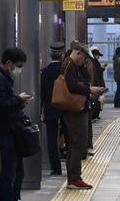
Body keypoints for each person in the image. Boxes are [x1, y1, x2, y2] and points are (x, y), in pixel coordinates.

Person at [0, 47, 32, 201]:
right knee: (10, 172)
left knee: (17, 172)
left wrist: (19, 103)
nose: (19, 69)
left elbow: (6, 104)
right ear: (9, 63)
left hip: (10, 130)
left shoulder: (3, 78)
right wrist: (18, 100)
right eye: (18, 66)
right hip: (5, 132)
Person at [60, 44, 104, 190]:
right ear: (78, 53)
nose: (84, 61)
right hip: (74, 111)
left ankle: (74, 177)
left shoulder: (73, 65)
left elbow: (81, 80)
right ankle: (74, 178)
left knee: (75, 143)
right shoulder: (70, 65)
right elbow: (71, 86)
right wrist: (89, 89)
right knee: (79, 143)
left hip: (76, 109)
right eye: (84, 58)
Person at [40, 42, 66, 176]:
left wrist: (41, 111)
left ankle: (56, 168)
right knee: (69, 138)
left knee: (51, 139)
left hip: (50, 110)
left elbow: (42, 94)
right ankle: (72, 168)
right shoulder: (66, 70)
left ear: (50, 55)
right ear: (63, 55)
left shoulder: (44, 72)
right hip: (66, 109)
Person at [88, 46, 106, 121]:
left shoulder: (92, 62)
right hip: (96, 84)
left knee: (98, 100)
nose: (98, 57)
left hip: (96, 84)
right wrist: (101, 68)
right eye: (98, 55)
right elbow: (97, 74)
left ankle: (95, 114)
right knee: (97, 100)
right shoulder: (94, 62)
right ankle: (95, 115)